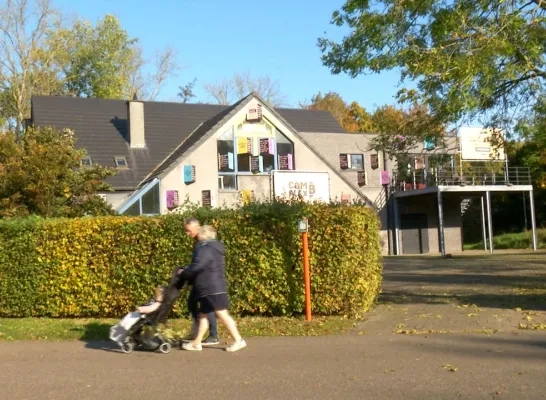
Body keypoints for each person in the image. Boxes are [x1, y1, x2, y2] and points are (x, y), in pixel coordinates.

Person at [180, 225, 247, 352]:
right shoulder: (215, 248)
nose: (197, 235)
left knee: (222, 314)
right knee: (204, 315)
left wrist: (184, 273)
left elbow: (198, 266)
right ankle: (196, 342)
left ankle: (239, 340)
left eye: (200, 233)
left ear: (204, 235)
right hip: (212, 287)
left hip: (211, 287)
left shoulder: (206, 249)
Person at [182, 217, 219, 345]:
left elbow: (200, 263)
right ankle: (202, 331)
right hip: (201, 279)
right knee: (194, 303)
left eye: (188, 230)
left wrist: (188, 272)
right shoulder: (198, 242)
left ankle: (212, 334)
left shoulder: (202, 242)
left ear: (197, 227)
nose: (187, 234)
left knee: (207, 307)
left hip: (205, 280)